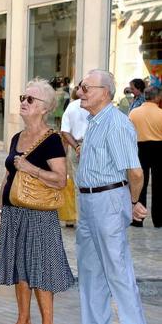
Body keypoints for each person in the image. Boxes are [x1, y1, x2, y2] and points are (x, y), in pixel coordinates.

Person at [0, 78, 73, 324]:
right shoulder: (17, 137)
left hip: (39, 214)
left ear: (45, 107)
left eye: (30, 99)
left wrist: (30, 168)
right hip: (14, 212)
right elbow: (8, 176)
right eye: (22, 98)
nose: (24, 102)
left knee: (41, 269)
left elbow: (61, 179)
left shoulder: (52, 140)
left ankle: (47, 321)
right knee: (20, 269)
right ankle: (22, 319)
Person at [76, 69, 147, 324]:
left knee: (118, 272)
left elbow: (136, 172)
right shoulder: (94, 121)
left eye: (86, 88)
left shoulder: (116, 123)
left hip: (107, 202)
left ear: (104, 93)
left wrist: (132, 202)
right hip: (88, 203)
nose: (80, 93)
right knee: (91, 273)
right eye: (80, 87)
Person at [128, 86, 162, 228]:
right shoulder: (161, 113)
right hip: (159, 149)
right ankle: (159, 219)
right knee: (159, 185)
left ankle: (137, 219)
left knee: (139, 183)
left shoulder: (134, 113)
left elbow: (129, 133)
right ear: (157, 97)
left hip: (140, 148)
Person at [59, 84, 89, 227]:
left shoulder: (71, 107)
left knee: (78, 185)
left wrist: (76, 147)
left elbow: (64, 131)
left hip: (75, 145)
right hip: (92, 147)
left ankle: (80, 218)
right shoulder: (97, 106)